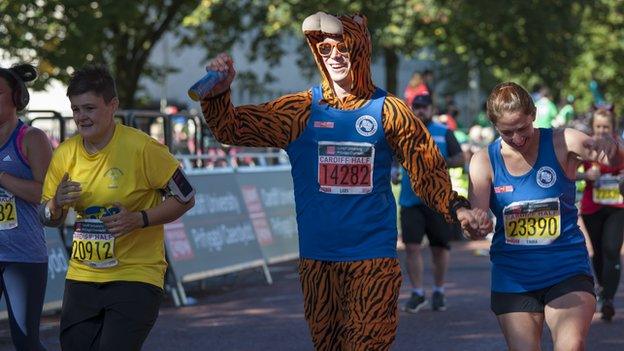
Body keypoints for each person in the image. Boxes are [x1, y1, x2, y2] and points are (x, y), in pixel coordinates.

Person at [200, 12, 491, 350]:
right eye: (325, 49)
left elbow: (426, 171)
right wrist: (218, 94)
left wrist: (458, 209)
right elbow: (232, 127)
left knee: (368, 343)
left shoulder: (390, 111)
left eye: (343, 47)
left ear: (361, 50)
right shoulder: (300, 110)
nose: (335, 56)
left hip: (372, 257)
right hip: (317, 259)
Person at [39, 64, 195, 351]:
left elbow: (186, 197)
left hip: (136, 275)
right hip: (83, 277)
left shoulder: (144, 148)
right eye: (75, 110)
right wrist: (55, 203)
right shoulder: (65, 154)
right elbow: (47, 218)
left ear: (113, 106)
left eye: (89, 108)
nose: (81, 118)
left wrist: (140, 219)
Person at [468, 82, 624, 350]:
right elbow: (476, 220)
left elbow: (610, 157)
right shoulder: (484, 161)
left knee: (571, 345)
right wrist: (475, 224)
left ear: (534, 116)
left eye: (523, 128)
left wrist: (613, 148)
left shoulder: (564, 141)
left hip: (566, 269)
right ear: (495, 127)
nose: (517, 138)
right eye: (507, 132)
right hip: (514, 276)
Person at [393, 92, 464, 313]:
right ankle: (417, 293)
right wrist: (394, 171)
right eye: (417, 107)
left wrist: (442, 162)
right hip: (410, 200)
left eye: (424, 107)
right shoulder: (403, 132)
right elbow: (394, 159)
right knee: (412, 247)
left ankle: (439, 290)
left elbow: (460, 157)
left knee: (439, 248)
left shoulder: (444, 133)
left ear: (432, 109)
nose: (420, 110)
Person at [0, 64, 52, 350]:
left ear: (18, 98)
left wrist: (2, 178)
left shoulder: (31, 138)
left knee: (24, 340)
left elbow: (45, 192)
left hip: (22, 256)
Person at [578, 108, 624, 322]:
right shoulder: (586, 146)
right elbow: (567, 170)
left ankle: (608, 300)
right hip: (592, 206)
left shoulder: (620, 148)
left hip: (617, 206)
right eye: (598, 127)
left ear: (613, 129)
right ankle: (604, 288)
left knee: (611, 249)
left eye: (606, 127)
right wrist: (585, 174)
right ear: (592, 128)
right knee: (597, 251)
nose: (602, 131)